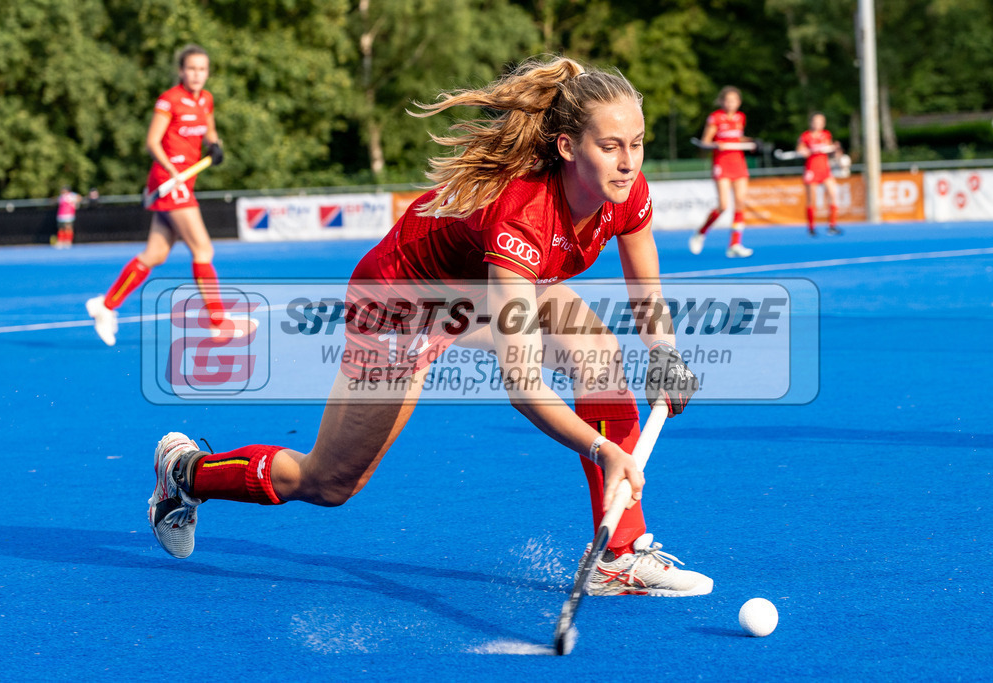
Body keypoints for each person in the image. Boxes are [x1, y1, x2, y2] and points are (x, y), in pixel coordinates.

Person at [147, 56, 711, 597]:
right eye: (610, 147)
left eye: (636, 144)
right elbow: (522, 385)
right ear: (567, 147)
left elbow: (646, 288)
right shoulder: (523, 216)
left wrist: (663, 349)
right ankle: (186, 474)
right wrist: (601, 448)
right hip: (399, 307)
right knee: (328, 482)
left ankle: (619, 555)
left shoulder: (625, 191)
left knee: (596, 353)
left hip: (473, 295)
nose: (628, 162)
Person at [86, 44, 229, 346]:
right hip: (168, 181)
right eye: (191, 68)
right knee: (203, 250)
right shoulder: (169, 100)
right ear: (181, 71)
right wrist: (173, 171)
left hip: (185, 182)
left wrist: (214, 145)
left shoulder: (206, 100)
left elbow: (209, 130)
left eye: (202, 69)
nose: (197, 74)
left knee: (156, 255)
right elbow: (152, 142)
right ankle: (218, 323)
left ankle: (106, 306)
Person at [689, 86, 755, 258]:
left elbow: (737, 138)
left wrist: (751, 142)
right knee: (724, 205)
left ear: (739, 102)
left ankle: (735, 244)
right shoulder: (716, 117)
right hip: (722, 163)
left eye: (734, 100)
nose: (731, 103)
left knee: (740, 203)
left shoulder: (740, 117)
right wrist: (716, 145)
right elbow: (705, 142)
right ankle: (701, 233)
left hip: (739, 162)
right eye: (728, 100)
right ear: (722, 101)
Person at [797, 113, 844, 236]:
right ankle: (811, 227)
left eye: (821, 121)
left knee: (833, 195)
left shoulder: (826, 134)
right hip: (811, 169)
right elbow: (800, 150)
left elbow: (830, 149)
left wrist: (834, 149)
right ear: (811, 122)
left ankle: (832, 226)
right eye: (816, 121)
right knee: (812, 200)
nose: (818, 124)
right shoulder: (805, 136)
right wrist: (804, 152)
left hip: (825, 170)